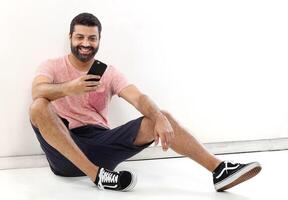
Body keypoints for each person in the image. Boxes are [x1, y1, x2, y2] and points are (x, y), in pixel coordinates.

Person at [29, 12, 261, 192]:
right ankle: (97, 176)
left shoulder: (109, 73)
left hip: (100, 143)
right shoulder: (52, 66)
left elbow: (138, 97)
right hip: (64, 149)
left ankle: (219, 171)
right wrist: (71, 88)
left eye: (92, 38)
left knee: (162, 116)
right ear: (70, 37)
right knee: (38, 105)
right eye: (80, 36)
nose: (86, 43)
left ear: (99, 40)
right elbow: (37, 90)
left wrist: (158, 118)